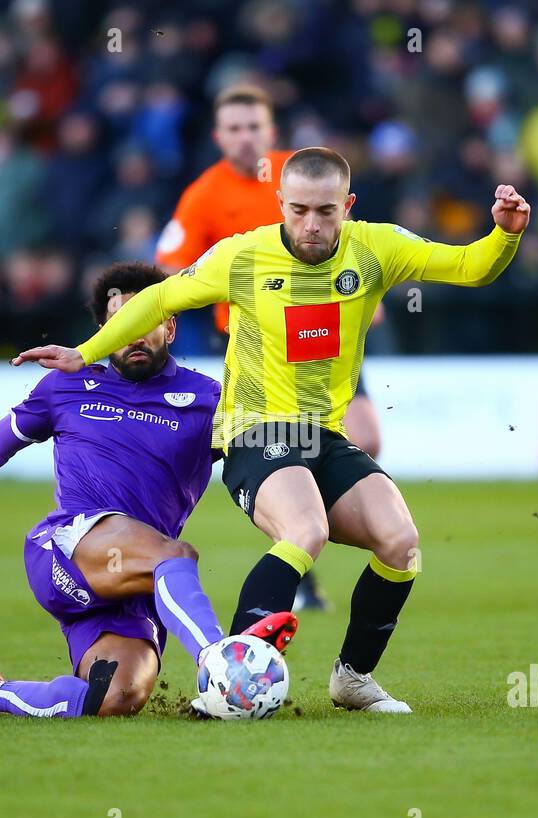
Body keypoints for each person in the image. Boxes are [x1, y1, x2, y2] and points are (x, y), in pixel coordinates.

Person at [14, 147, 530, 713]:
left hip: (323, 436)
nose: (312, 224)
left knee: (401, 543)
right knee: (305, 529)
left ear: (348, 206)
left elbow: (468, 267)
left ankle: (352, 678)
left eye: (327, 212)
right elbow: (161, 296)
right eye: (300, 210)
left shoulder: (377, 248)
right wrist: (87, 353)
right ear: (280, 203)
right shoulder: (242, 258)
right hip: (255, 430)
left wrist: (503, 235)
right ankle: (224, 683)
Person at [0, 261, 297, 719]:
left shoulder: (208, 400)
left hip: (133, 582)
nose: (134, 334)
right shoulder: (66, 385)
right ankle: (218, 659)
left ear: (170, 328)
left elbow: (263, 463)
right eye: (119, 323)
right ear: (102, 331)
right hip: (65, 550)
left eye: (146, 321)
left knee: (115, 699)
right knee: (174, 557)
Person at [155, 84, 380, 611]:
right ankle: (298, 549)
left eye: (253, 126)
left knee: (366, 435)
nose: (243, 137)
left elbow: (350, 237)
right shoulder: (203, 194)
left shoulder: (301, 174)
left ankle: (300, 537)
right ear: (218, 135)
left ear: (270, 130)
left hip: (328, 334)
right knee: (275, 448)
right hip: (257, 343)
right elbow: (167, 267)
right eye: (233, 128)